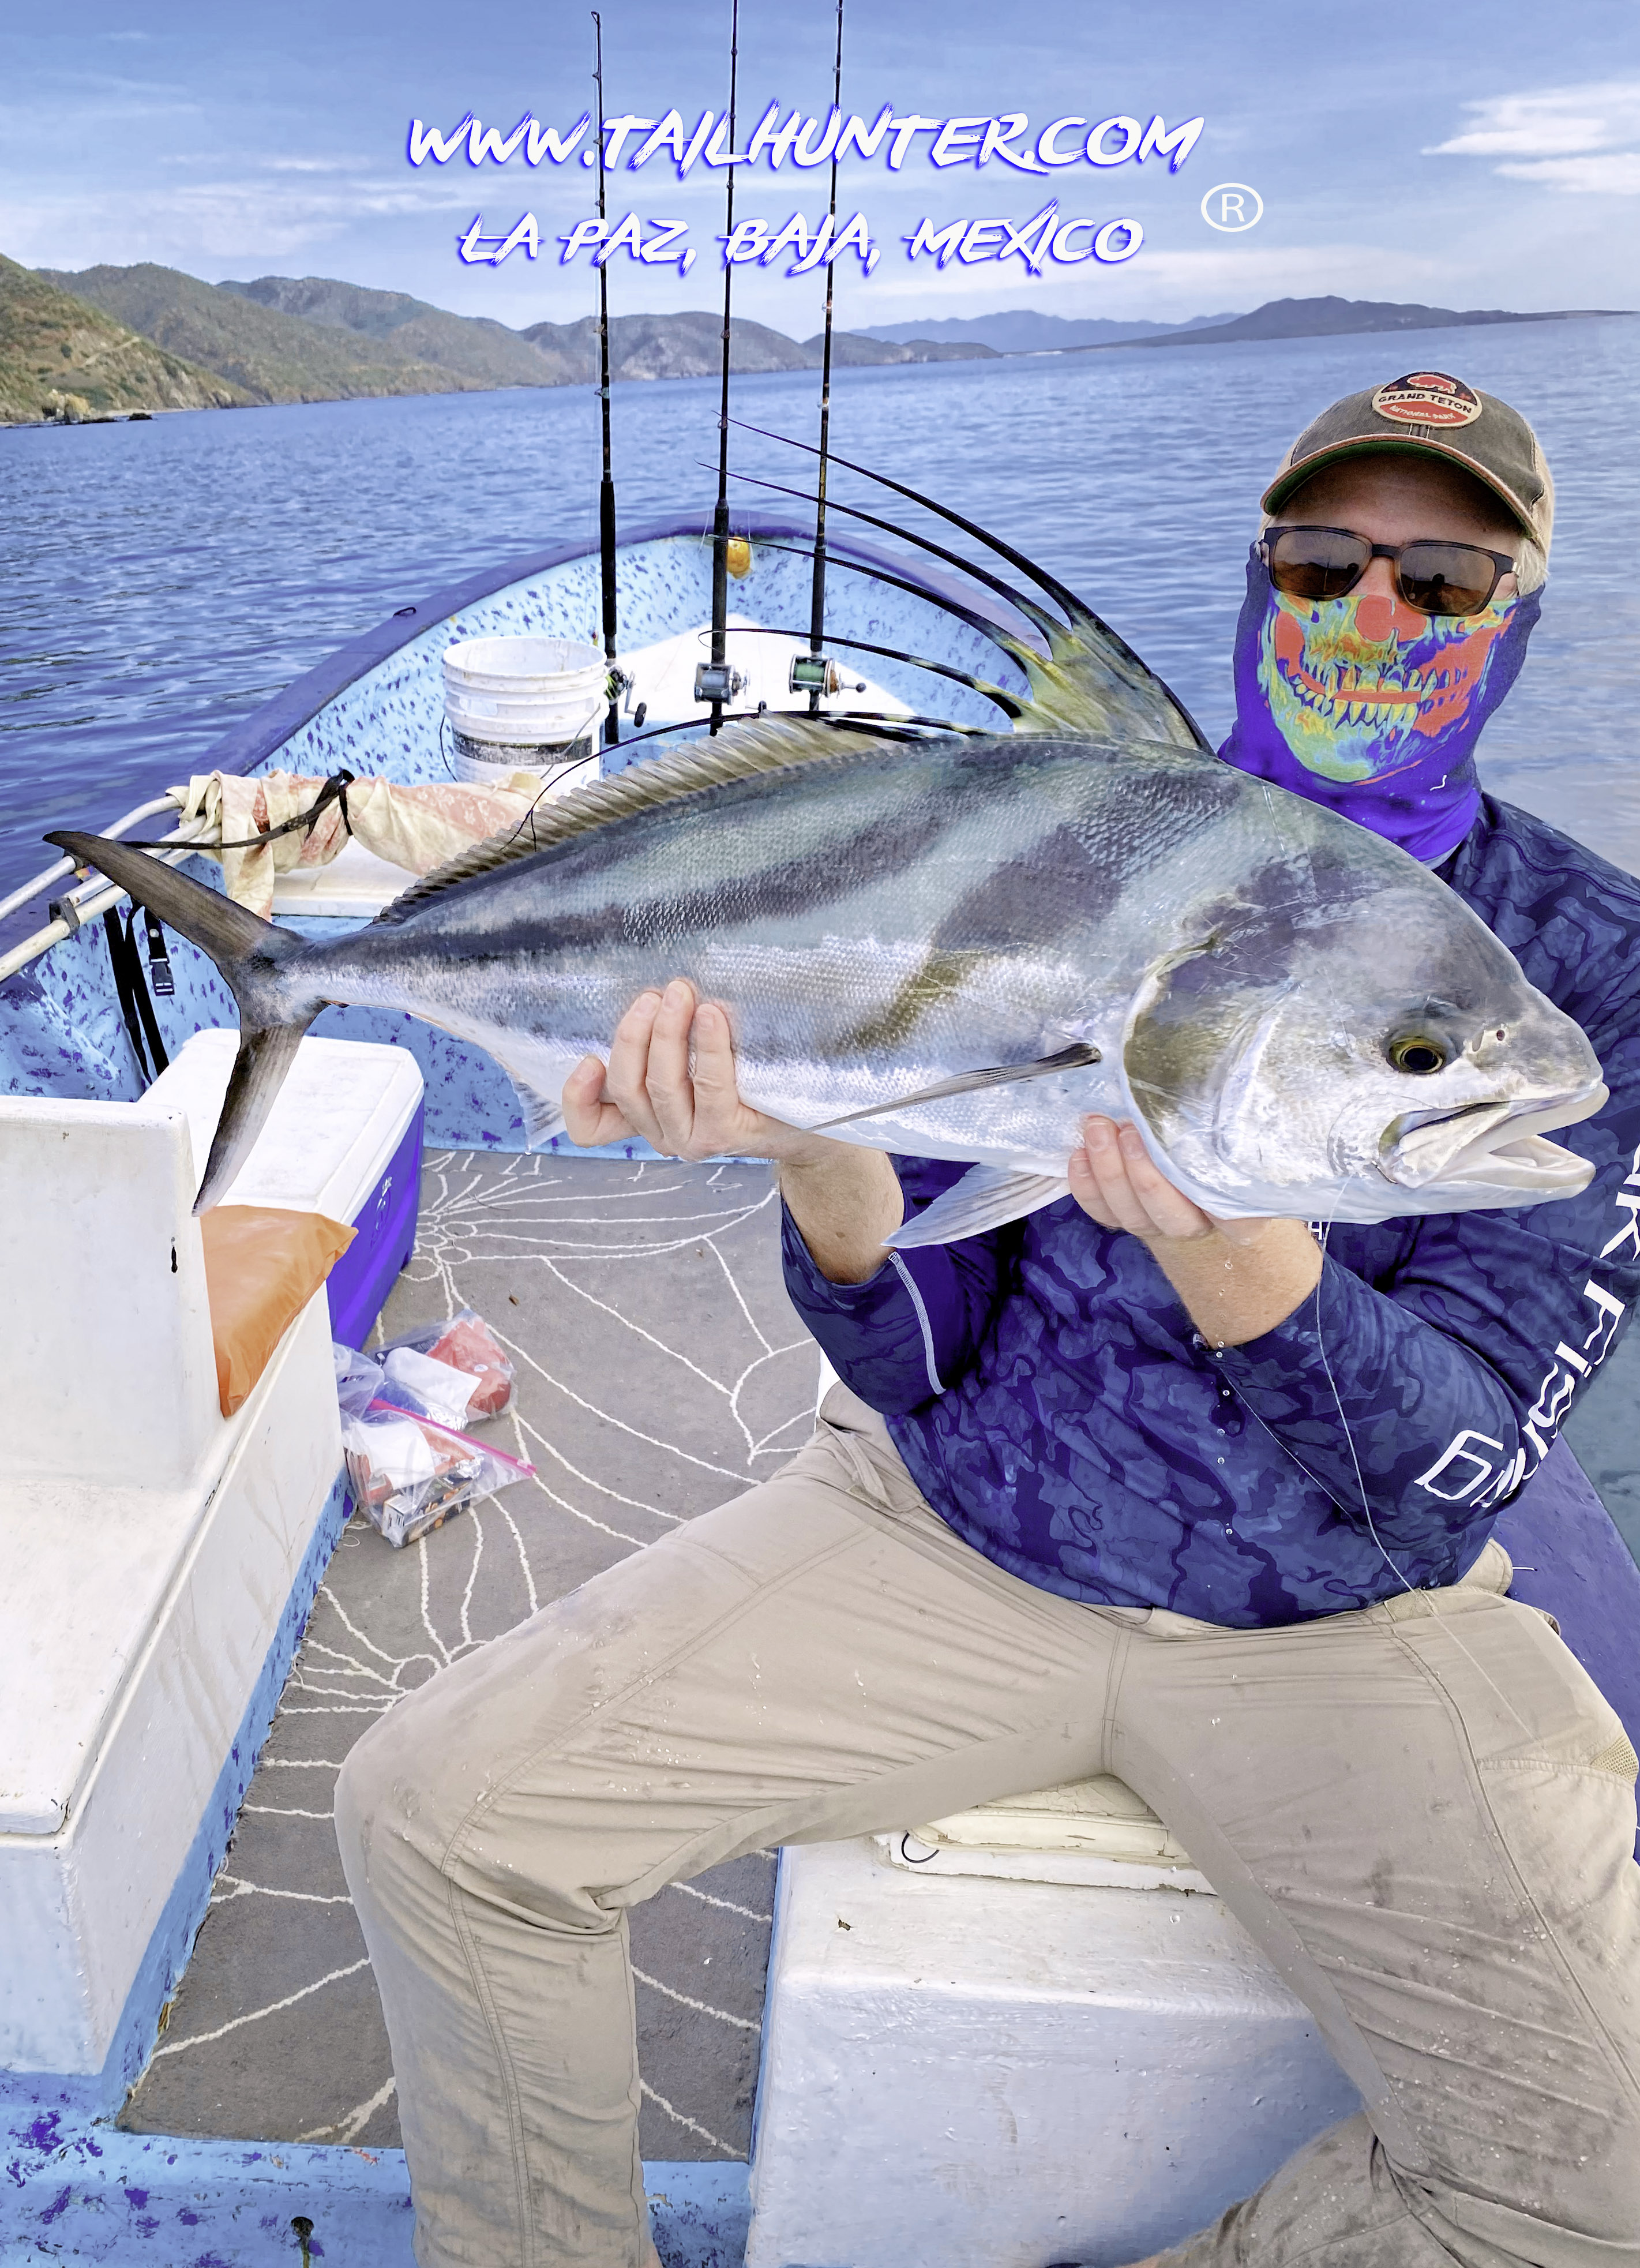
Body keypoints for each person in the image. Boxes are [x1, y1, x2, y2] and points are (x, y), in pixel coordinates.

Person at [336, 373, 1640, 2266]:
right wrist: (811, 1148)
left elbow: (1459, 1465)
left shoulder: (1591, 970)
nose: (1371, 613)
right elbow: (912, 1354)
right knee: (433, 1815)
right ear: (1257, 581)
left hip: (1341, 1624)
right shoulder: (1062, 849)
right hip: (952, 1531)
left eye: (1438, 578)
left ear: (1510, 619)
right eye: (1319, 560)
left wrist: (1234, 1248)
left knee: (1598, 2191)